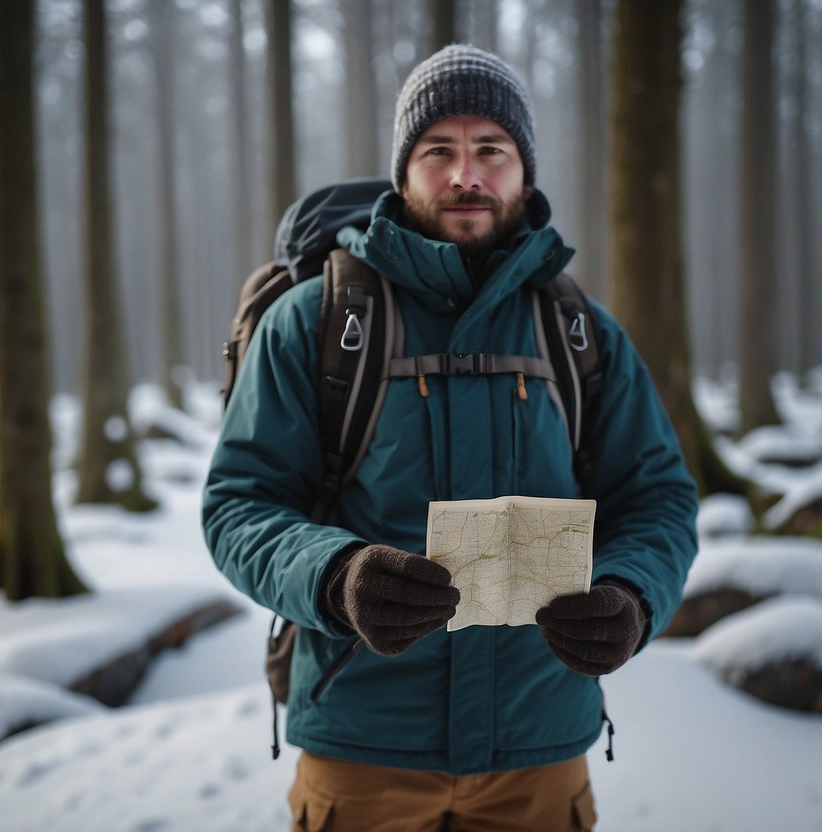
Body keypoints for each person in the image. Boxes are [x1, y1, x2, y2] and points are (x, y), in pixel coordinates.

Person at [203, 44, 698, 832]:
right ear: (403, 171)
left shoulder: (579, 333)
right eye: (439, 150)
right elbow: (238, 505)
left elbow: (658, 499)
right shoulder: (315, 323)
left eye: (490, 150)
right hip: (364, 745)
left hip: (539, 749)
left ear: (523, 171)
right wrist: (336, 576)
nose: (466, 175)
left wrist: (632, 596)